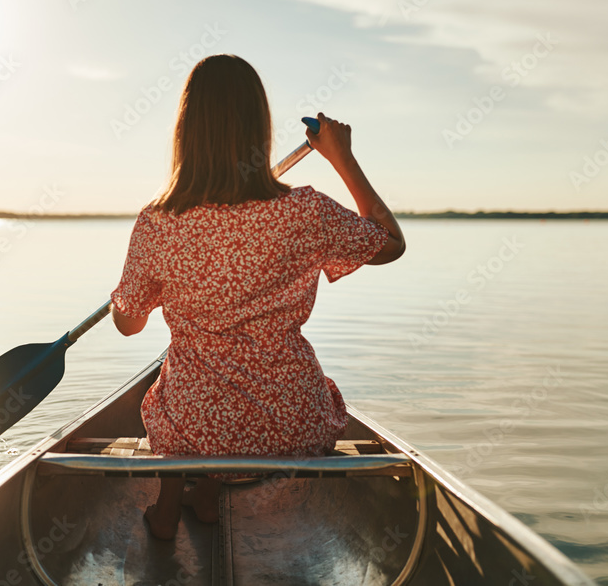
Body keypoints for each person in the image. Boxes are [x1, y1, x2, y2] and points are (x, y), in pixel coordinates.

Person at [110, 54, 406, 540]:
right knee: (207, 394)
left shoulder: (157, 223)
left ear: (187, 130)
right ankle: (204, 500)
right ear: (258, 128)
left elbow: (128, 323)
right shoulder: (304, 210)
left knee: (169, 396)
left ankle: (171, 506)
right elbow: (390, 243)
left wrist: (126, 298)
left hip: (197, 429)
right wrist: (342, 158)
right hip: (294, 427)